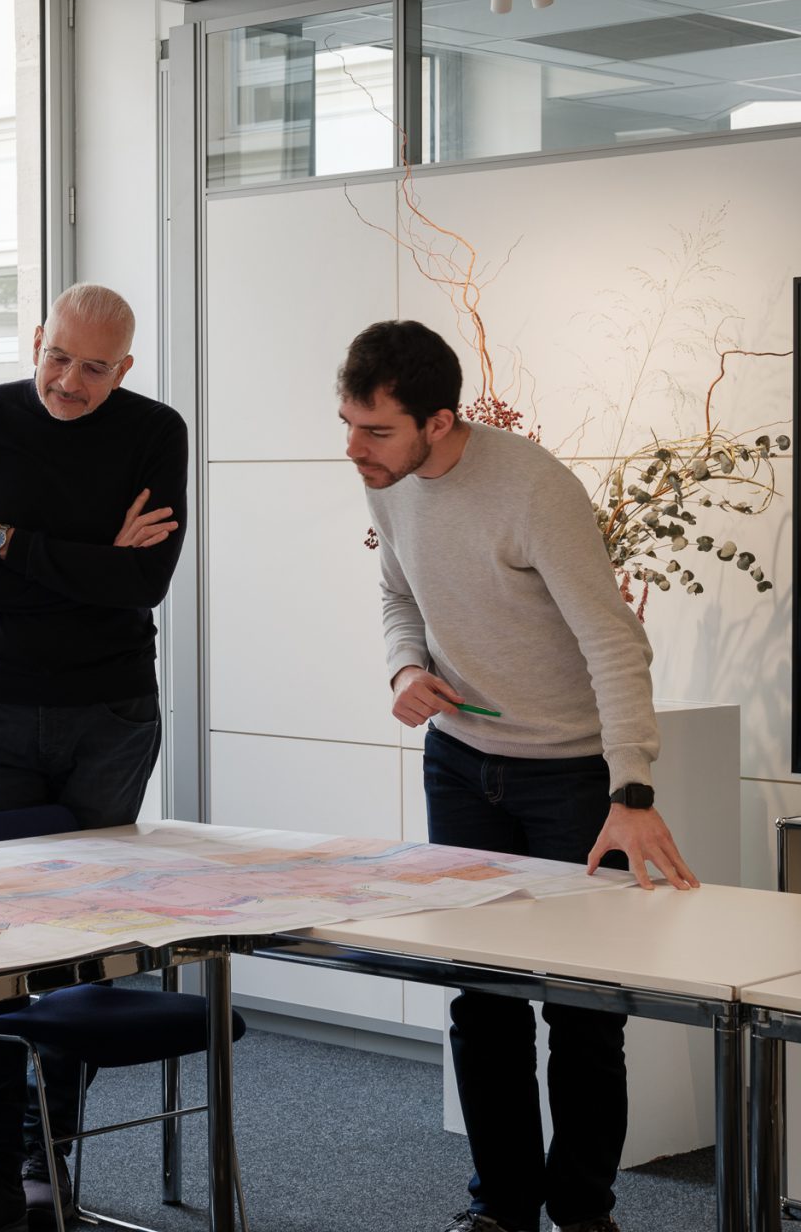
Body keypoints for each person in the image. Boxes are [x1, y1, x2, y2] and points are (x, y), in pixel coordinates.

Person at [338, 319, 696, 1232]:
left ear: (440, 422)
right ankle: (499, 1209)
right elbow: (398, 594)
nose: (355, 450)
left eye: (375, 430)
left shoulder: (535, 490)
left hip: (568, 776)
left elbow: (614, 641)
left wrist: (632, 789)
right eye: (347, 424)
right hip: (461, 765)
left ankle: (583, 1213)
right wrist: (404, 668)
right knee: (484, 1002)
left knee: (584, 1010)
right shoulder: (388, 480)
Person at [0, 282, 189, 1232]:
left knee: (81, 940)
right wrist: (89, 560)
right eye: (58, 357)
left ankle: (48, 1159)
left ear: (126, 369)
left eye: (95, 368)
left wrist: (12, 544)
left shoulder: (155, 431)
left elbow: (145, 581)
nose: (70, 381)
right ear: (37, 339)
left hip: (111, 715)